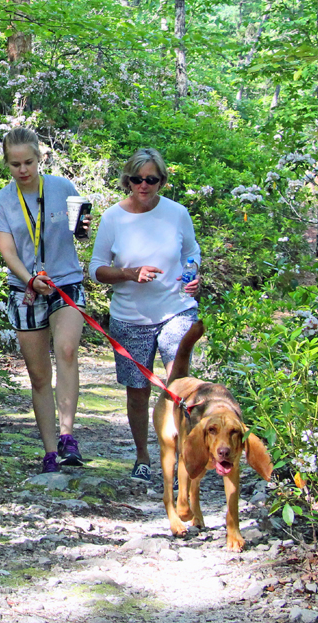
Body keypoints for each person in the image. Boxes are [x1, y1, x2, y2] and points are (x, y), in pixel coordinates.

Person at [89, 148, 201, 483]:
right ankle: (142, 456)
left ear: (162, 181)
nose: (143, 185)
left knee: (177, 386)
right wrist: (129, 273)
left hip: (176, 308)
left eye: (151, 179)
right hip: (130, 316)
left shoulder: (177, 213)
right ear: (127, 180)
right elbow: (96, 269)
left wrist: (194, 275)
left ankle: (180, 456)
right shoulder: (113, 218)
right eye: (137, 179)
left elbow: (191, 252)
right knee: (138, 390)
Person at [0, 127, 90, 473]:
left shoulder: (62, 188)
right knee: (39, 375)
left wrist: (84, 225)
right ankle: (48, 452)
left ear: (40, 158)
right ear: (7, 165)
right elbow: (7, 252)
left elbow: (81, 232)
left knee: (67, 350)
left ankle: (68, 435)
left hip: (66, 283)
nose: (23, 170)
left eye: (28, 162)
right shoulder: (0, 202)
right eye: (15, 164)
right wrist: (29, 279)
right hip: (26, 291)